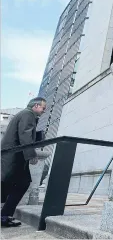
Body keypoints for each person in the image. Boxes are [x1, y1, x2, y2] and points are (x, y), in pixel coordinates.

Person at [1, 97, 46, 227]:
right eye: (43, 108)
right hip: (14, 158)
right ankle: (3, 216)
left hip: (14, 157)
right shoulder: (28, 114)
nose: (44, 111)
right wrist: (31, 155)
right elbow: (25, 135)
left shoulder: (24, 114)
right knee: (16, 184)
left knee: (12, 185)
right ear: (36, 106)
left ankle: (4, 216)